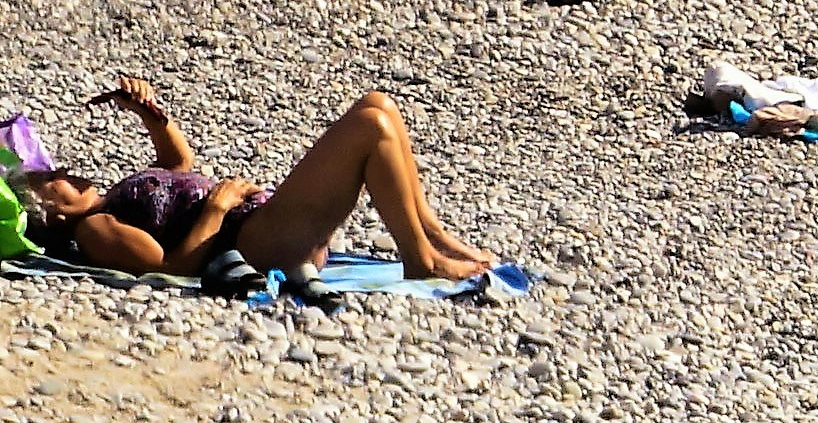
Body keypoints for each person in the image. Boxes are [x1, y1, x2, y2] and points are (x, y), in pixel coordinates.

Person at [14, 80, 496, 286]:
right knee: (369, 128)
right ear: (52, 213)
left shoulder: (114, 198)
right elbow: (171, 267)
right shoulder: (93, 230)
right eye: (51, 181)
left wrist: (150, 115)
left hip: (259, 223)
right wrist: (216, 208)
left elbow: (178, 166)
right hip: (255, 240)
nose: (63, 171)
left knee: (378, 105)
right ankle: (421, 261)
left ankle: (430, 233)